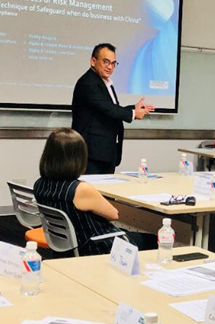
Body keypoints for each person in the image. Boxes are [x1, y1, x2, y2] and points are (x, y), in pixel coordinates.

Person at [34, 128, 156, 256]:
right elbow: (113, 215)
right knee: (153, 239)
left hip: (67, 246)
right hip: (96, 246)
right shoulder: (80, 189)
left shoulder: (39, 184)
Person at [72, 43, 155, 175]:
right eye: (106, 62)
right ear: (93, 61)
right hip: (91, 154)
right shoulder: (88, 82)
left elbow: (109, 109)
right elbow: (108, 108)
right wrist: (133, 113)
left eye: (113, 63)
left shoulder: (105, 83)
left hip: (105, 152)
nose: (110, 67)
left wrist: (134, 108)